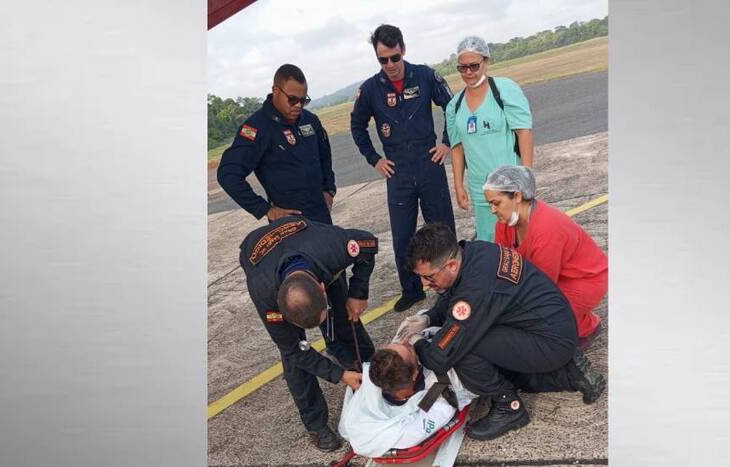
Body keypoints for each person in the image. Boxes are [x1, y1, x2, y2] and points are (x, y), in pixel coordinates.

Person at [394, 223, 605, 441]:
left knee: (463, 349)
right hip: (549, 327)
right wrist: (429, 317)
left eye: (429, 277)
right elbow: (453, 294)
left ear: (452, 265)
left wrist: (418, 342)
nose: (425, 284)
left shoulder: (476, 290)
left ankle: (509, 407)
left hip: (549, 341)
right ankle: (570, 374)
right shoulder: (475, 252)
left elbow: (440, 358)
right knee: (495, 363)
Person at [239, 216, 379, 451]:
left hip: (310, 249)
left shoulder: (334, 247)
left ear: (322, 287)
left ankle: (366, 371)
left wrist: (358, 292)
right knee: (294, 358)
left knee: (343, 320)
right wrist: (337, 375)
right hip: (260, 255)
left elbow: (369, 244)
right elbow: (294, 351)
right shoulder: (264, 294)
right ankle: (316, 424)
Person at [350, 24, 458, 312]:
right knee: (402, 236)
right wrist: (375, 159)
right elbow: (357, 127)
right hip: (397, 171)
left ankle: (454, 284)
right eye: (383, 60)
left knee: (442, 228)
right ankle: (412, 290)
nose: (390, 65)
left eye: (394, 58)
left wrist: (447, 142)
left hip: (428, 162)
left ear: (403, 50)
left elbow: (453, 107)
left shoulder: (424, 75)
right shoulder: (371, 89)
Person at [485, 165, 608, 349]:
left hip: (587, 279)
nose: (493, 210)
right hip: (558, 276)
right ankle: (576, 319)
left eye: (496, 203)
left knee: (538, 316)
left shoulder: (546, 229)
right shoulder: (504, 223)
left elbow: (541, 288)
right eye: (490, 204)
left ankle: (585, 327)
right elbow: (500, 264)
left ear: (517, 196)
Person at [217, 64, 336, 225]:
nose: (298, 106)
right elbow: (228, 174)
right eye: (292, 99)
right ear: (275, 91)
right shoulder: (257, 128)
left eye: (303, 100)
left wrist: (329, 189)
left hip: (321, 216)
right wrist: (264, 209)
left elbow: (324, 157)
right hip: (289, 224)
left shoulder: (310, 120)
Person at [445, 36, 534, 242]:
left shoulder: (504, 90)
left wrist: (527, 176)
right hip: (481, 191)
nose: (468, 73)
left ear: (486, 62)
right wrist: (458, 185)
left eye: (474, 66)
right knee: (489, 242)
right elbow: (457, 147)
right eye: (463, 68)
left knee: (517, 241)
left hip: (510, 187)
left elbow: (524, 132)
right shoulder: (454, 106)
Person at [337, 328, 477, 457]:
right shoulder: (440, 394)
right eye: (408, 348)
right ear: (415, 374)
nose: (406, 342)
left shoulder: (368, 397)